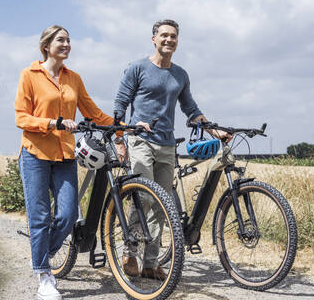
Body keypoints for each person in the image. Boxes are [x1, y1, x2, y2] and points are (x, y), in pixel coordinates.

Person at [114, 19, 232, 280]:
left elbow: (191, 109)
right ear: (154, 39)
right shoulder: (137, 68)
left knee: (162, 205)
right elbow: (120, 105)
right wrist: (120, 139)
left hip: (167, 145)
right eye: (164, 35)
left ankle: (150, 262)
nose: (169, 40)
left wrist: (215, 130)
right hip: (140, 140)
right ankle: (130, 252)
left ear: (177, 42)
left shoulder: (180, 74)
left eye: (173, 36)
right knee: (143, 196)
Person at [15, 25, 118, 300]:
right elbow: (21, 118)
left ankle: (41, 254)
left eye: (69, 40)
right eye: (61, 40)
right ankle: (44, 276)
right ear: (46, 45)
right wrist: (52, 123)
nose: (67, 44)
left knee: (68, 214)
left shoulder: (74, 78)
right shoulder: (29, 75)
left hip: (64, 156)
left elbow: (92, 112)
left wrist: (122, 128)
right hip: (34, 154)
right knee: (39, 218)